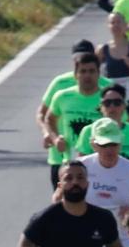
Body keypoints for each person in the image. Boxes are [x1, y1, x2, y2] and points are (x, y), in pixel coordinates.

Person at [40, 48, 109, 189]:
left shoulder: (108, 98)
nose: (87, 76)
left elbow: (121, 123)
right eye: (83, 71)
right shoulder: (62, 96)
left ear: (98, 73)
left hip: (99, 164)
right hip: (70, 165)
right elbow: (49, 119)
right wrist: (55, 138)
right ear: (76, 75)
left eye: (91, 71)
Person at [80, 118, 129, 246]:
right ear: (93, 145)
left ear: (120, 143)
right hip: (85, 236)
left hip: (121, 240)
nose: (109, 150)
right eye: (104, 145)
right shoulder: (82, 167)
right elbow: (60, 201)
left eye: (113, 144)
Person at [73, 82, 129, 168]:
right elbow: (81, 161)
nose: (112, 107)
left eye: (117, 102)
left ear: (124, 105)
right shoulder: (88, 131)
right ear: (101, 107)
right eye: (107, 103)